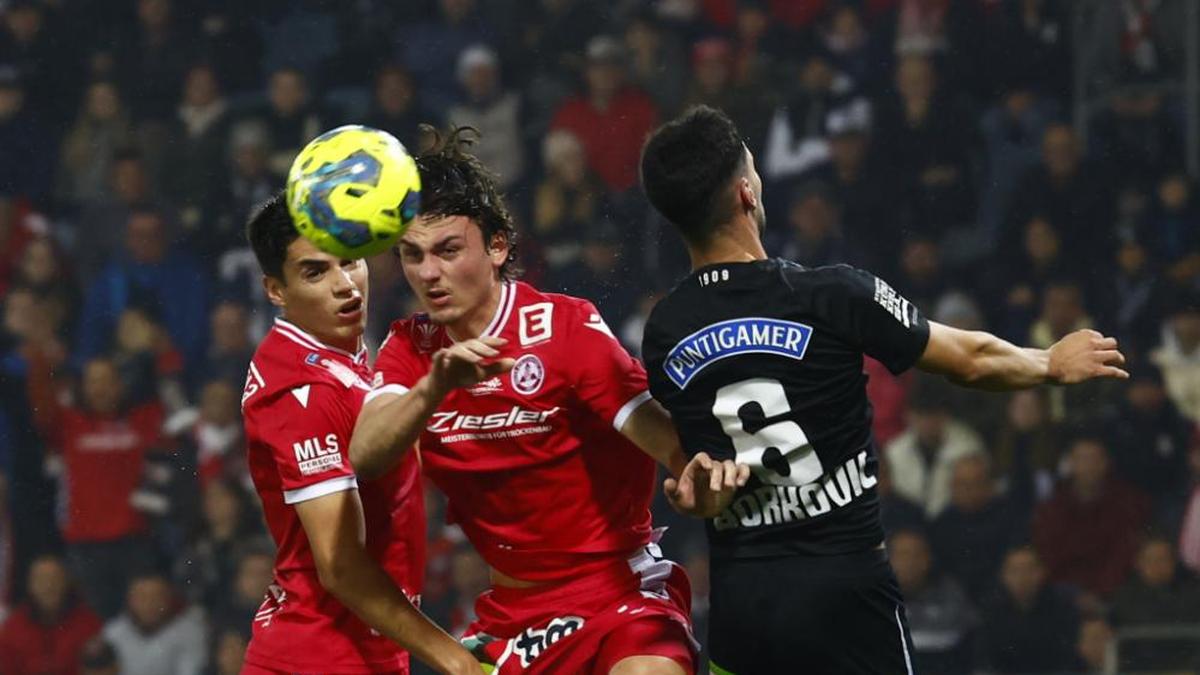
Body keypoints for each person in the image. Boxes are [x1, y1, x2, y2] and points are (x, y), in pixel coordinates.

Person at [637, 106, 1129, 674]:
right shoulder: (830, 293)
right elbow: (968, 360)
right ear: (747, 193)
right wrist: (1048, 361)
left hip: (744, 600)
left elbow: (696, 458)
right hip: (846, 592)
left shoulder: (666, 330)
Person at [349, 127, 744, 675]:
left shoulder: (565, 327)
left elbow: (673, 448)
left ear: (498, 247)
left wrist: (699, 484)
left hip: (618, 597)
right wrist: (434, 386)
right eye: (412, 255)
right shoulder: (410, 349)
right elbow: (365, 454)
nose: (428, 273)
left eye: (448, 250)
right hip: (511, 619)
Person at [241, 193, 478, 674]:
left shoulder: (340, 356)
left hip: (359, 650)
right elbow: (340, 565)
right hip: (317, 655)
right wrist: (452, 656)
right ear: (275, 290)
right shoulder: (300, 391)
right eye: (315, 272)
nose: (344, 285)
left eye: (349, 262)